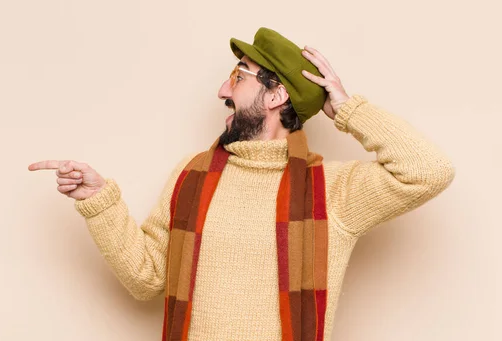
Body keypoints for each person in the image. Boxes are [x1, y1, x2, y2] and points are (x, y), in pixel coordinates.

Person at [28, 28, 455, 341]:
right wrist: (100, 201)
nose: (220, 90)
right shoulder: (191, 175)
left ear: (275, 96)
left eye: (238, 76)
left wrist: (347, 108)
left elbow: (428, 170)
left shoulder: (332, 191)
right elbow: (147, 278)